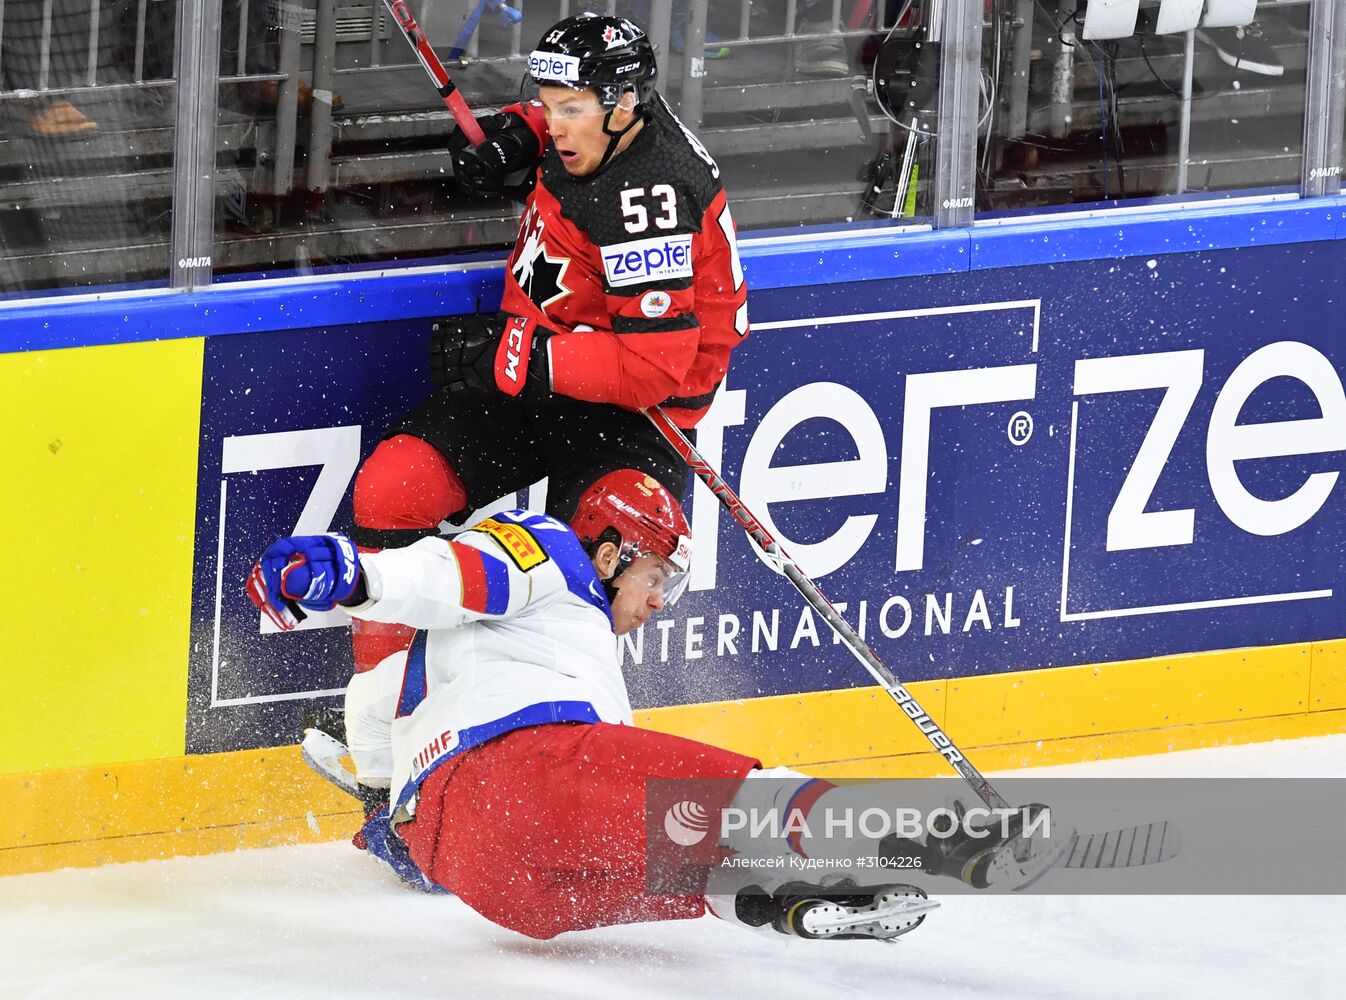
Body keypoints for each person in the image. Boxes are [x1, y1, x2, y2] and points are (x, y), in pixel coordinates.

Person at [250, 471, 1070, 942]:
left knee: (687, 857)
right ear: (610, 550)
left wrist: (393, 824)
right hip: (523, 775)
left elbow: (371, 698)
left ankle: (785, 902)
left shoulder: (492, 658)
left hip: (481, 875)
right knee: (738, 796)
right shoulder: (555, 554)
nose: (662, 602)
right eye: (657, 579)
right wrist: (359, 576)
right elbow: (453, 576)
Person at [348, 12, 749, 674]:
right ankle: (387, 723)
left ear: (622, 105)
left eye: (568, 110)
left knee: (601, 575)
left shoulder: (648, 197)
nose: (555, 122)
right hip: (542, 369)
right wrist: (516, 132)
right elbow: (552, 119)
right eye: (548, 105)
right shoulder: (606, 126)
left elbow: (650, 368)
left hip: (634, 416)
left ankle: (547, 738)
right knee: (396, 487)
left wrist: (518, 354)